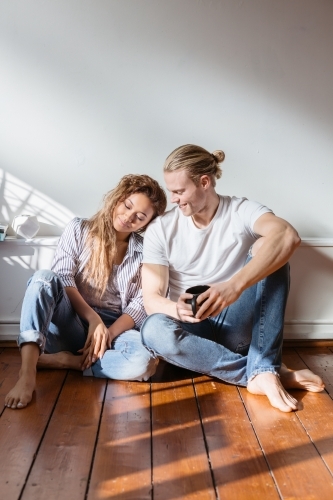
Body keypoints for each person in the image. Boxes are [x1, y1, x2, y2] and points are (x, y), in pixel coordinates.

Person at [141, 144, 324, 412]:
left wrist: (233, 287)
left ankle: (262, 369)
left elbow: (288, 236)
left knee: (270, 248)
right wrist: (176, 309)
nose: (174, 199)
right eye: (171, 191)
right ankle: (263, 372)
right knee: (152, 329)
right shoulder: (161, 229)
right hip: (193, 330)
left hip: (237, 323)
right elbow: (150, 299)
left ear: (204, 182)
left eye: (179, 191)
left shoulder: (241, 210)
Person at [5, 174, 167, 409]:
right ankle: (27, 372)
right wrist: (93, 319)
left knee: (145, 362)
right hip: (71, 319)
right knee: (43, 279)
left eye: (139, 217)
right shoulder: (79, 228)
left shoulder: (144, 252)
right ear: (118, 198)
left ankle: (66, 361)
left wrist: (108, 334)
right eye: (127, 205)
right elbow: (63, 277)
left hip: (115, 328)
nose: (128, 217)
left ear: (147, 223)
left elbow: (140, 304)